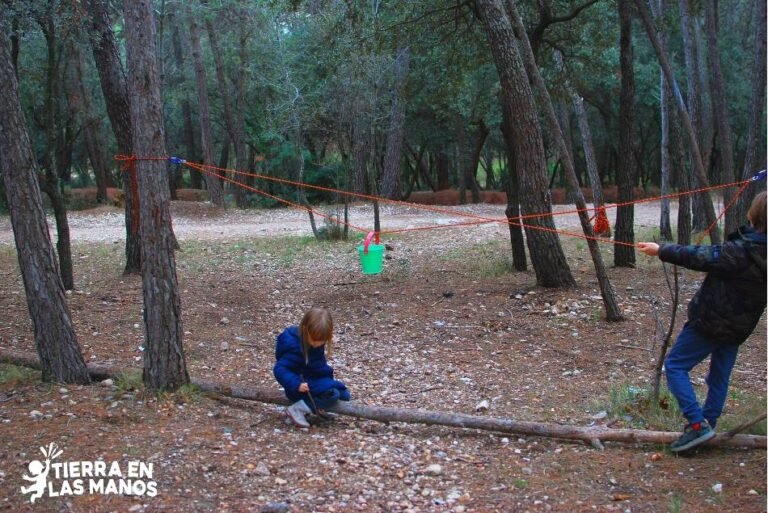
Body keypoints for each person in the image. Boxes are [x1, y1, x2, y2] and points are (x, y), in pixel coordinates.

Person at [637, 190, 767, 452]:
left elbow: (698, 256)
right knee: (719, 378)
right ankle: (708, 426)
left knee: (674, 366)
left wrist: (661, 250)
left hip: (710, 323)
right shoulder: (749, 248)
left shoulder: (740, 251)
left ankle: (698, 426)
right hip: (738, 328)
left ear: (754, 216)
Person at [273, 307, 351, 428]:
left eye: (322, 340)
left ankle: (318, 407)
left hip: (312, 381)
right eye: (315, 340)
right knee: (333, 395)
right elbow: (280, 369)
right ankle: (297, 409)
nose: (318, 343)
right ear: (305, 330)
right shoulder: (294, 347)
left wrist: (328, 380)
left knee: (345, 395)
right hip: (299, 387)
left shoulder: (314, 343)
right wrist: (296, 384)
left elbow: (318, 366)